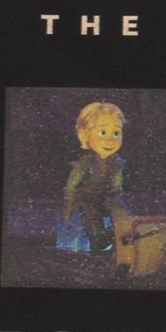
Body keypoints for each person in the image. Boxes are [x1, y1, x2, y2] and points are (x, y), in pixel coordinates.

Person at [61, 101, 128, 252]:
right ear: (84, 135)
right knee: (91, 217)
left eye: (116, 133)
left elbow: (117, 183)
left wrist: (117, 195)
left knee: (119, 209)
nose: (110, 140)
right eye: (102, 132)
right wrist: (68, 207)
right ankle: (99, 239)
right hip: (87, 198)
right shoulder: (85, 163)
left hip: (107, 196)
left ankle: (121, 233)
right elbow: (71, 185)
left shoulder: (116, 163)